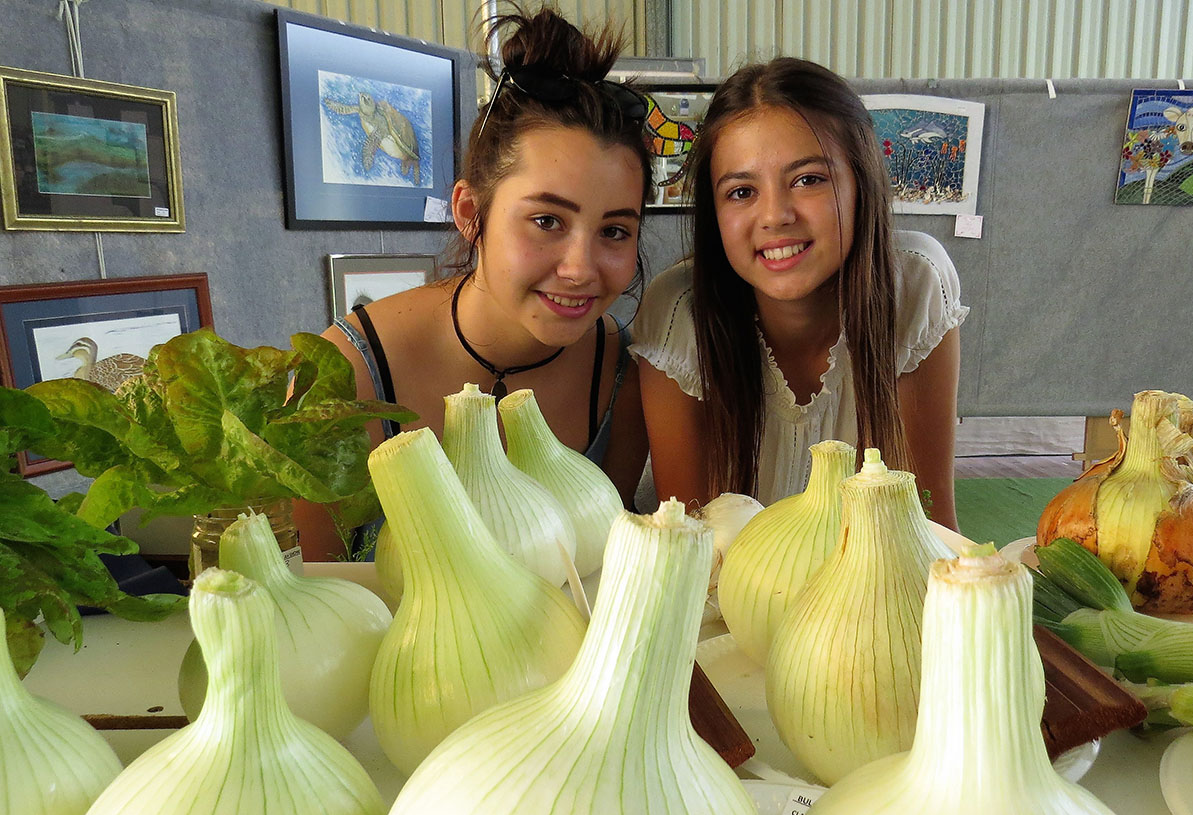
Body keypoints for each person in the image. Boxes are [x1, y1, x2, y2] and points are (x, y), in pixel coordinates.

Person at [296, 7, 652, 560]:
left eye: (614, 231)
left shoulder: (623, 376)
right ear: (469, 211)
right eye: (547, 221)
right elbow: (316, 586)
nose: (581, 268)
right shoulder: (348, 371)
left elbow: (600, 575)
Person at [631, 58, 967, 531]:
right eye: (741, 191)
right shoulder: (678, 315)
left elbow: (930, 526)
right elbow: (689, 545)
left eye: (808, 180)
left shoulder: (914, 286)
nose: (775, 216)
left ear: (861, 183)